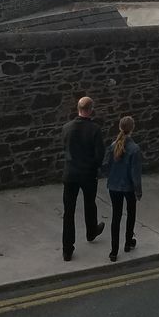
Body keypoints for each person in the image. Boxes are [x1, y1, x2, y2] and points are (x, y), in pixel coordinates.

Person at [61, 96, 106, 261]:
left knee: (69, 212)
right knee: (90, 203)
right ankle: (91, 231)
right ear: (91, 109)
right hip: (87, 174)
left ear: (78, 108)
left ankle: (67, 249)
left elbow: (65, 148)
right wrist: (93, 167)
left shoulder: (66, 127)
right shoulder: (94, 129)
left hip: (70, 173)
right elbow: (100, 155)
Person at [103, 115, 142, 262]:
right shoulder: (134, 149)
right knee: (131, 214)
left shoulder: (113, 146)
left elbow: (105, 166)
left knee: (116, 216)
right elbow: (135, 173)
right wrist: (138, 191)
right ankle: (127, 242)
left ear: (120, 127)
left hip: (114, 186)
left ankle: (114, 251)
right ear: (132, 128)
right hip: (128, 187)